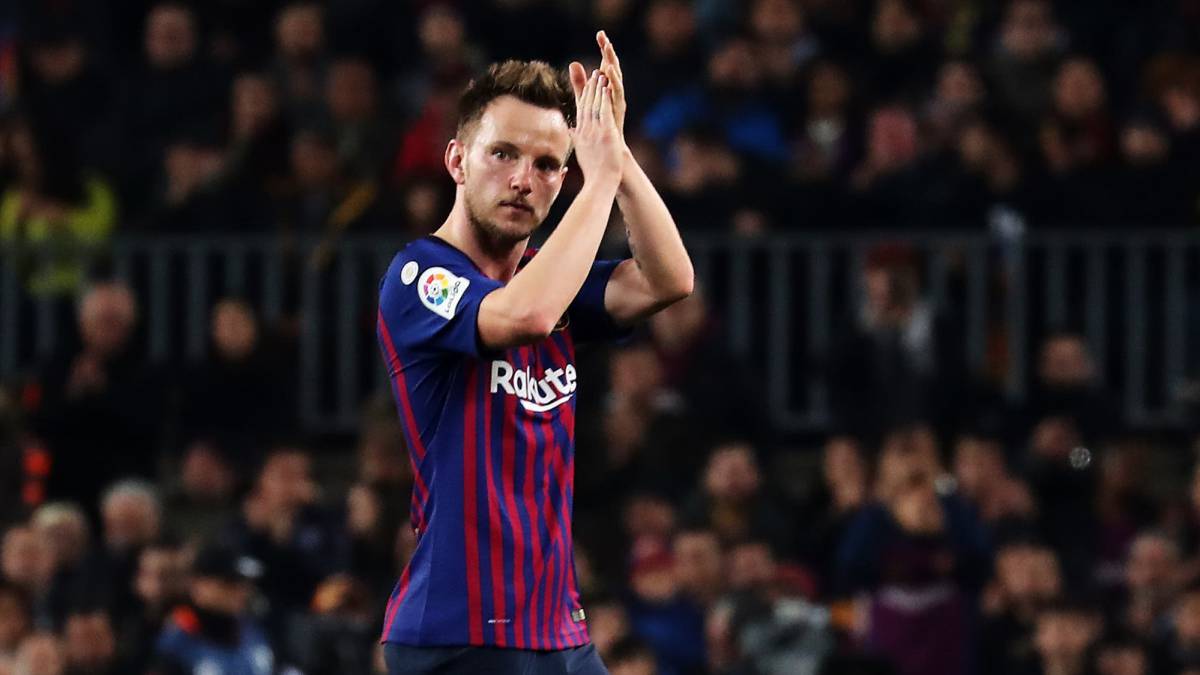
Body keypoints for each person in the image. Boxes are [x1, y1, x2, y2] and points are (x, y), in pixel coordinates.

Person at [375, 30, 693, 675]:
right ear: (457, 160)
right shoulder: (419, 276)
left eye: (548, 165)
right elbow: (527, 315)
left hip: (557, 630)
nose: (524, 180)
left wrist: (617, 158)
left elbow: (669, 280)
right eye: (503, 154)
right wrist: (597, 184)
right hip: (462, 633)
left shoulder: (551, 275)